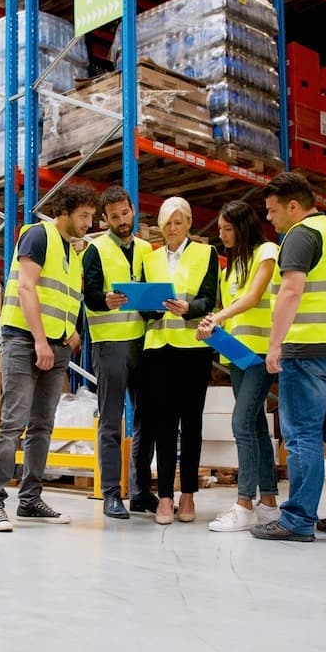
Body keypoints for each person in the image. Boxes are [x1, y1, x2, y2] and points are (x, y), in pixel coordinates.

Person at [252, 172, 326, 542]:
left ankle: (298, 518)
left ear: (294, 206)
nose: (270, 218)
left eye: (272, 211)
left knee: (302, 436)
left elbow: (290, 290)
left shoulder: (301, 235)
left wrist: (274, 344)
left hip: (307, 351)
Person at [0, 183, 98, 533]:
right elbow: (26, 288)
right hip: (24, 341)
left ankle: (30, 500)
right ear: (65, 211)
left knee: (42, 426)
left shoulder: (74, 253)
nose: (89, 223)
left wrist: (73, 331)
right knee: (13, 423)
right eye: (84, 216)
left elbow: (66, 298)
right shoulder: (38, 236)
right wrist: (39, 340)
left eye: (92, 217)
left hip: (58, 345)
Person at [196, 194, 281, 532]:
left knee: (242, 423)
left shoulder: (267, 253)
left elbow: (254, 298)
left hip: (260, 354)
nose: (222, 235)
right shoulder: (231, 266)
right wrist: (211, 328)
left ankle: (244, 504)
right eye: (219, 229)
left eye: (227, 229)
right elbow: (229, 310)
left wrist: (217, 316)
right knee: (257, 426)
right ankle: (270, 504)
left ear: (243, 227)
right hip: (237, 355)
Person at [139, 196, 218, 525]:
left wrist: (190, 309)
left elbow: (209, 298)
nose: (172, 228)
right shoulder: (151, 258)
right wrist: (153, 307)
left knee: (192, 423)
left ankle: (188, 495)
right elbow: (142, 305)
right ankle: (166, 497)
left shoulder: (206, 254)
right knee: (163, 425)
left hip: (193, 348)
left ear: (188, 224)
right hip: (158, 348)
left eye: (178, 221)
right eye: (167, 222)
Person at [81, 185, 156, 519]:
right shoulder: (95, 250)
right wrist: (104, 300)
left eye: (125, 213)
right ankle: (112, 494)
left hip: (143, 342)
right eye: (114, 217)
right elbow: (91, 296)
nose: (122, 220)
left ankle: (140, 491)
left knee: (146, 420)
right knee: (111, 421)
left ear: (132, 209)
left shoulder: (146, 250)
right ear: (105, 219)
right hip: (110, 344)